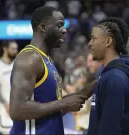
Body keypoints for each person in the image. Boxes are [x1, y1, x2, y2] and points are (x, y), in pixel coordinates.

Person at [9, 6, 96, 135]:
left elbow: (51, 108)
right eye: (59, 25)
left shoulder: (46, 60)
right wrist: (62, 104)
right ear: (43, 27)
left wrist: (100, 81)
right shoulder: (30, 58)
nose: (64, 30)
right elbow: (17, 109)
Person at [0, 40, 18, 134]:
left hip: (17, 108)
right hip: (3, 108)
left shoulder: (17, 64)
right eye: (13, 49)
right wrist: (5, 104)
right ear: (5, 49)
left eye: (16, 49)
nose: (16, 51)